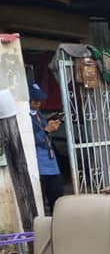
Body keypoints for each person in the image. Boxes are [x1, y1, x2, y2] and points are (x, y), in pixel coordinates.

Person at [29, 82, 64, 214]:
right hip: (40, 165)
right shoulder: (26, 118)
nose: (39, 104)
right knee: (41, 202)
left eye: (40, 101)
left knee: (58, 198)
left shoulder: (40, 115)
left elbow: (45, 132)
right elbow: (31, 140)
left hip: (51, 163)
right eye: (35, 101)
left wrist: (51, 126)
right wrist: (46, 130)